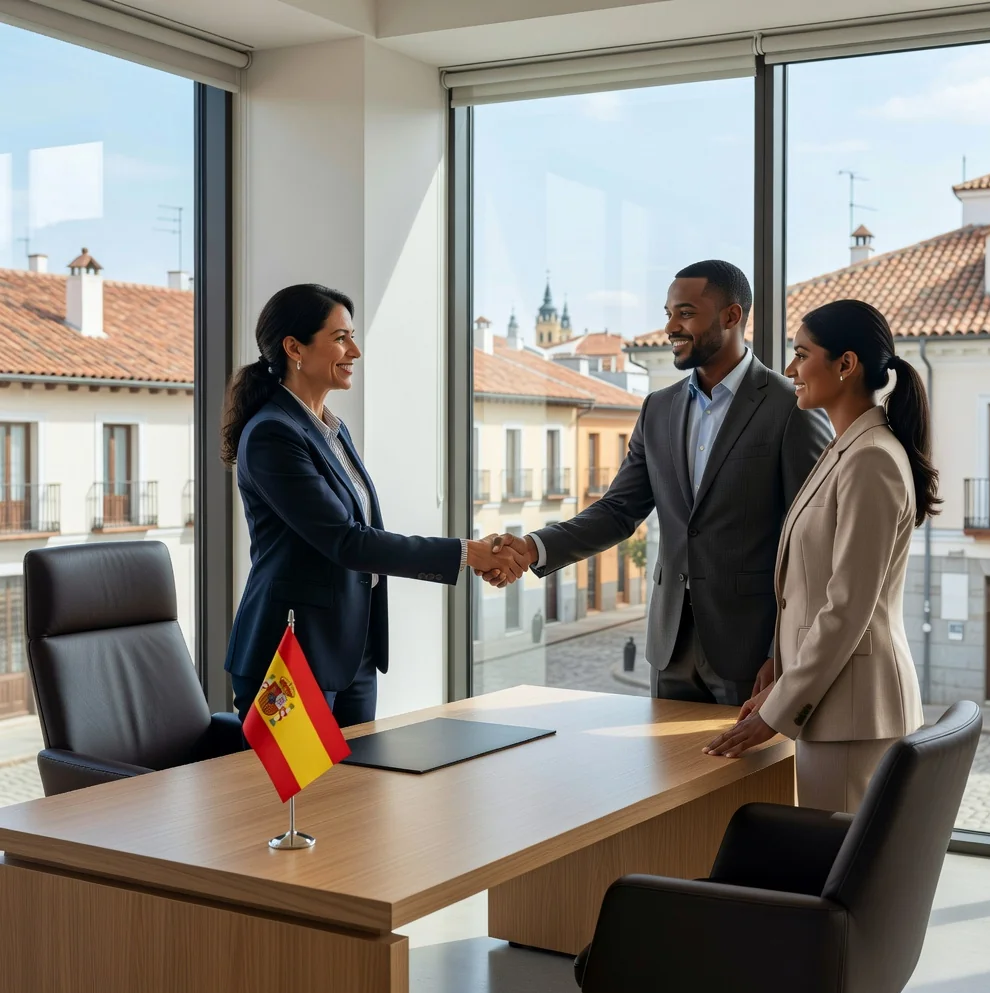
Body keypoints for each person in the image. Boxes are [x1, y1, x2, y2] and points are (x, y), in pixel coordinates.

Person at [704, 300, 938, 993]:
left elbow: (846, 608)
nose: (792, 365)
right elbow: (811, 591)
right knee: (850, 910)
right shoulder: (845, 447)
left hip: (855, 711)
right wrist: (776, 669)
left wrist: (775, 715)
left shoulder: (870, 459)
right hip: (837, 700)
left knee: (847, 911)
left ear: (847, 366)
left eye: (802, 352)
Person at [485, 261, 832, 707]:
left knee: (753, 777)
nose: (670, 326)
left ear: (731, 316)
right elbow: (617, 511)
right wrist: (533, 548)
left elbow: (811, 541)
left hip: (753, 652)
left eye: (685, 313)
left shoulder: (790, 407)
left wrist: (782, 650)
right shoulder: (658, 409)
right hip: (669, 647)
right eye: (668, 313)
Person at [222, 283, 528, 727]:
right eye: (341, 337)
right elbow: (347, 541)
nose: (355, 351)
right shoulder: (273, 434)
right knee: (300, 797)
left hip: (351, 652)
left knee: (359, 793)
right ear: (294, 348)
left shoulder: (331, 429)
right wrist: (468, 553)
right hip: (289, 654)